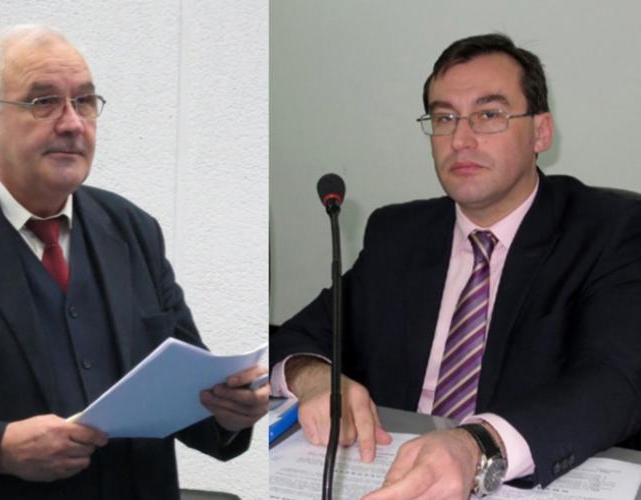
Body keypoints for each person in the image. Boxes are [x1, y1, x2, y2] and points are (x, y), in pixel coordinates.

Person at [0, 24, 268, 500]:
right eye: (43, 102)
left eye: (84, 101)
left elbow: (183, 387)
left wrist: (228, 412)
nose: (72, 123)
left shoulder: (133, 229)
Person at [270, 33, 641, 499]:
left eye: (489, 115)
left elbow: (617, 381)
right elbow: (298, 336)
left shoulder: (611, 230)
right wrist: (315, 379)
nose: (461, 140)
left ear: (541, 132)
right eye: (445, 118)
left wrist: (477, 446)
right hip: (392, 476)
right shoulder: (398, 234)